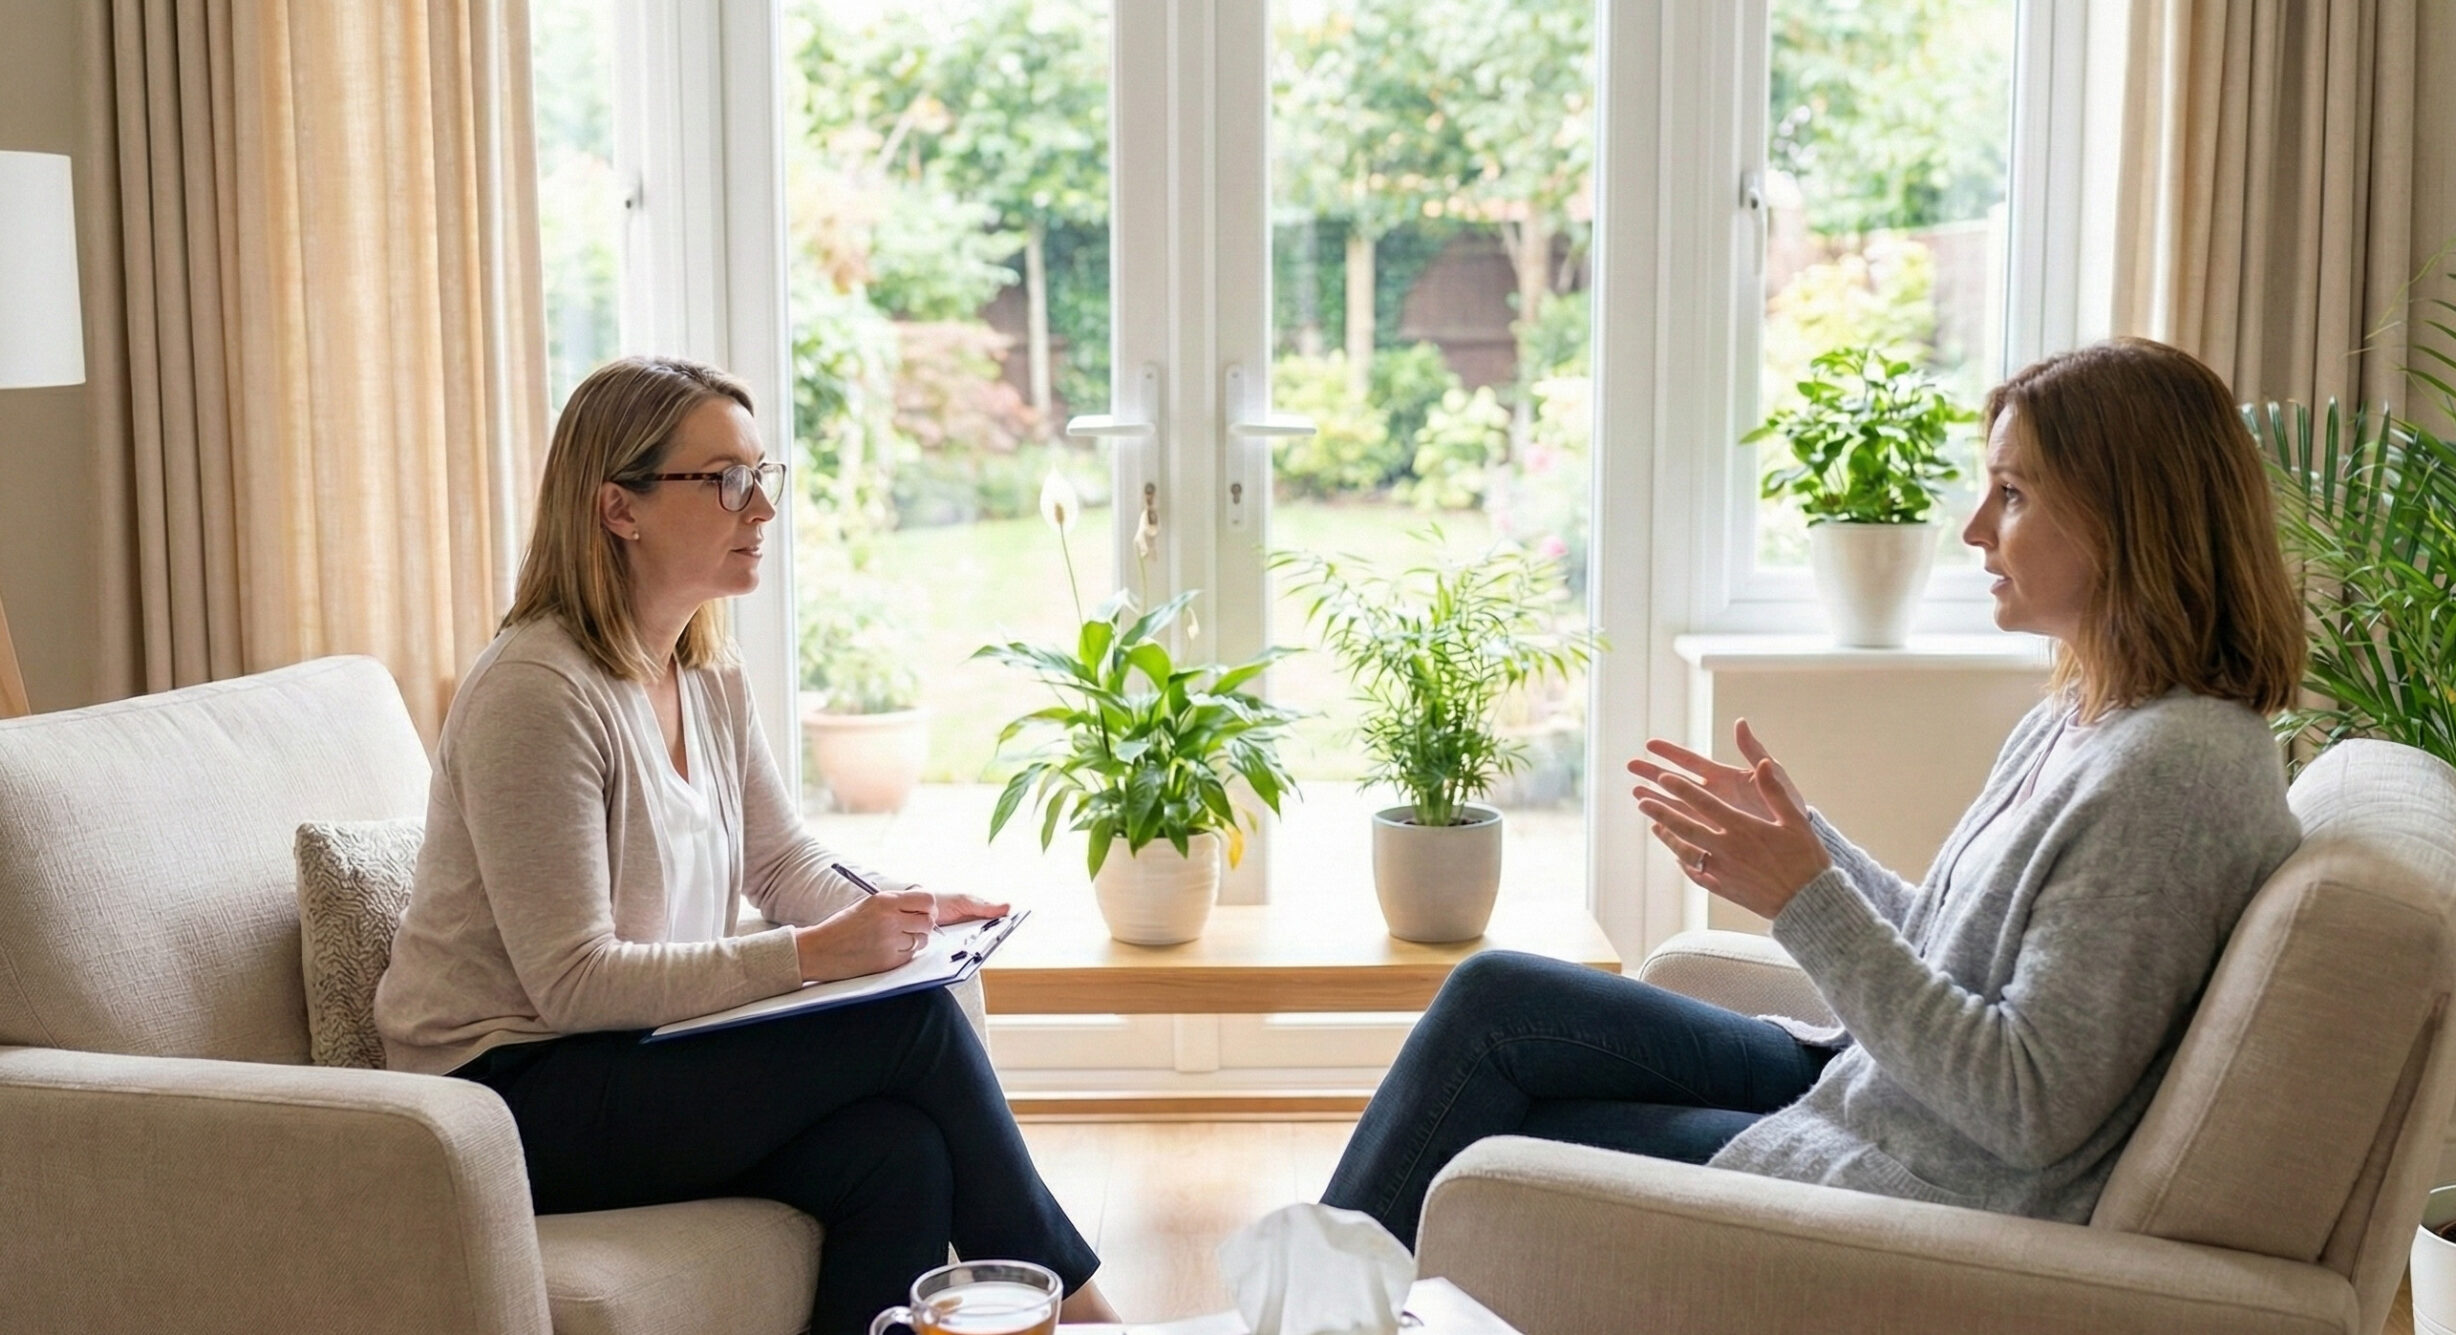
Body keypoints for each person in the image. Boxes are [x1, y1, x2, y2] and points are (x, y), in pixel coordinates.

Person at [1321, 336, 2309, 1246]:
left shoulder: (2174, 770)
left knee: (1497, 1147)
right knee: (1495, 998)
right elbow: (1955, 947)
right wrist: (1808, 848)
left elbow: (2025, 1105)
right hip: (1871, 1091)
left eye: (2011, 494)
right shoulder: (2083, 713)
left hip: (1921, 1171)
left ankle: (1308, 1308)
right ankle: (1313, 1301)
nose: (1972, 529)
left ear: (2129, 516)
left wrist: (1805, 899)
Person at [374, 355, 1116, 1334]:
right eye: (726, 481)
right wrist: (813, 957)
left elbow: (781, 865)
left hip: (640, 1057)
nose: (759, 510)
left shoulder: (705, 671)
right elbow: (572, 984)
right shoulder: (536, 693)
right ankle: (1100, 1319)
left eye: (762, 478)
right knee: (913, 1027)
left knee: (898, 1152)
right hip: (506, 1098)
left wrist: (907, 912)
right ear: (618, 508)